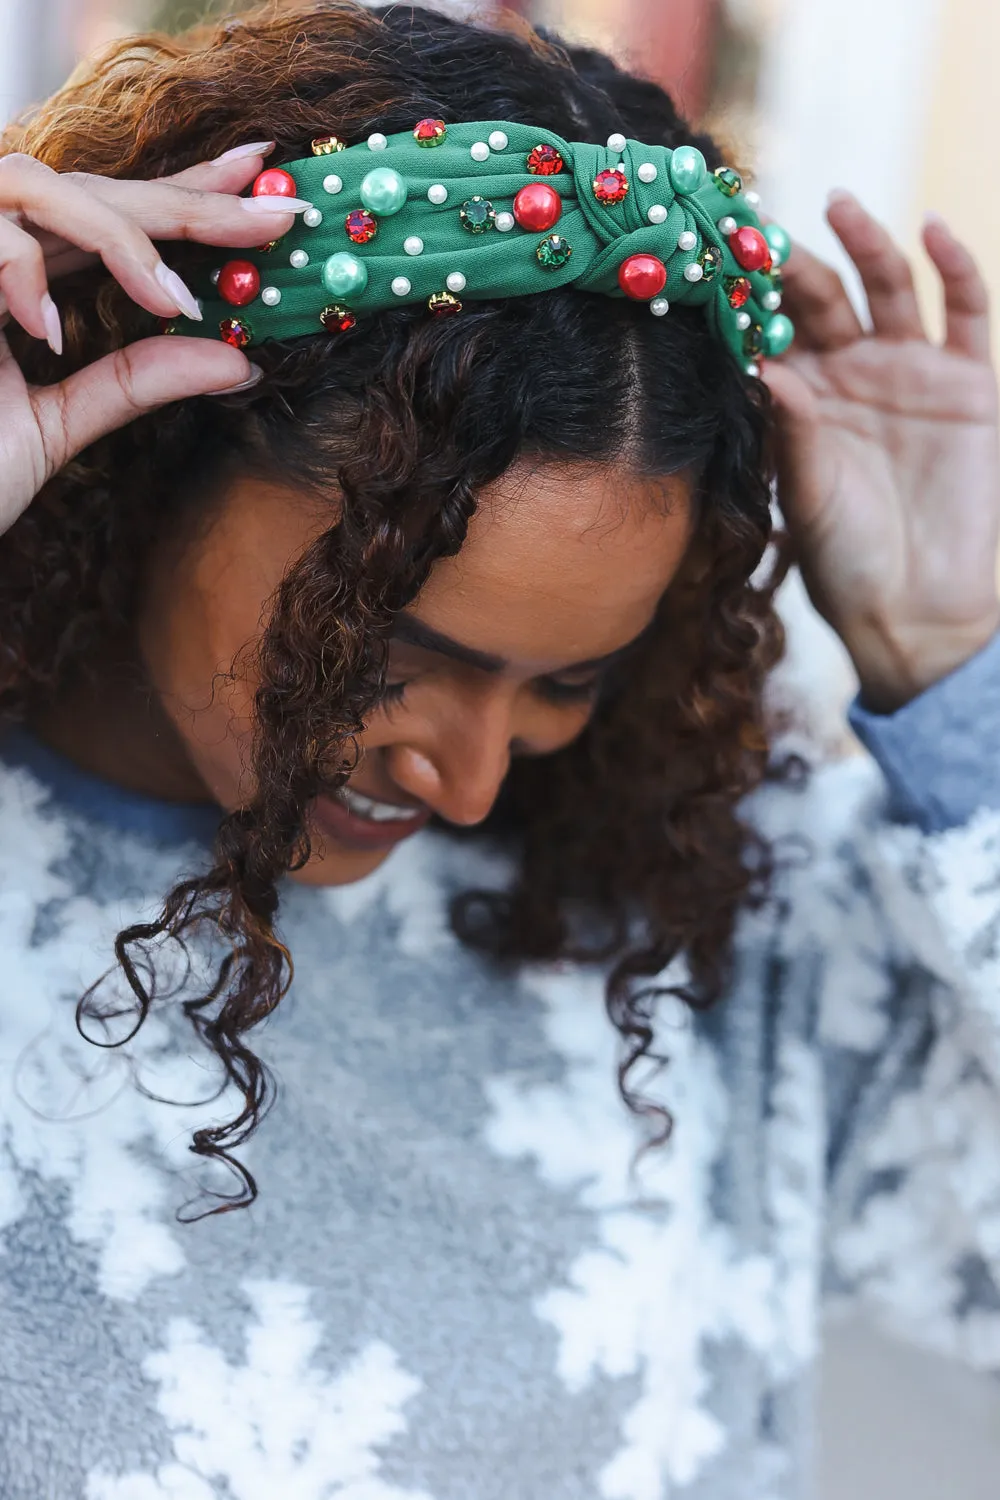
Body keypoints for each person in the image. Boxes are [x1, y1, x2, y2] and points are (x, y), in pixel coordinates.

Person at [0, 2, 998, 1496]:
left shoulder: (698, 919)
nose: (468, 782)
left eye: (568, 682)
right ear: (159, 453)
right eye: (381, 653)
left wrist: (954, 663)